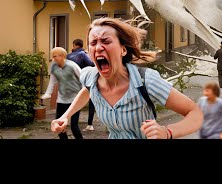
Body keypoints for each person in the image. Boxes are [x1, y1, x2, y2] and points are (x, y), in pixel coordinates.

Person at [50, 17, 203, 139]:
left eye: (106, 41)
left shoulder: (146, 81)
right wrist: (65, 116)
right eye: (93, 43)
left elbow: (196, 114)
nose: (98, 47)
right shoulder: (89, 76)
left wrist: (166, 132)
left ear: (123, 50)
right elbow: (87, 90)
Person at [41, 47, 83, 140]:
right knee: (59, 126)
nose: (54, 58)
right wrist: (48, 93)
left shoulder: (72, 66)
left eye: (57, 56)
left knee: (74, 127)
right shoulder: (53, 66)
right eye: (53, 56)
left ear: (63, 56)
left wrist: (86, 92)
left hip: (75, 99)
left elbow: (82, 78)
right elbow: (52, 81)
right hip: (62, 100)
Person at [67, 39, 96, 131]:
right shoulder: (83, 54)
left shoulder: (68, 56)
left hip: (71, 82)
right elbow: (92, 64)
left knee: (74, 101)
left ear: (74, 45)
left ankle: (68, 120)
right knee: (91, 102)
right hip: (85, 81)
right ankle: (90, 124)